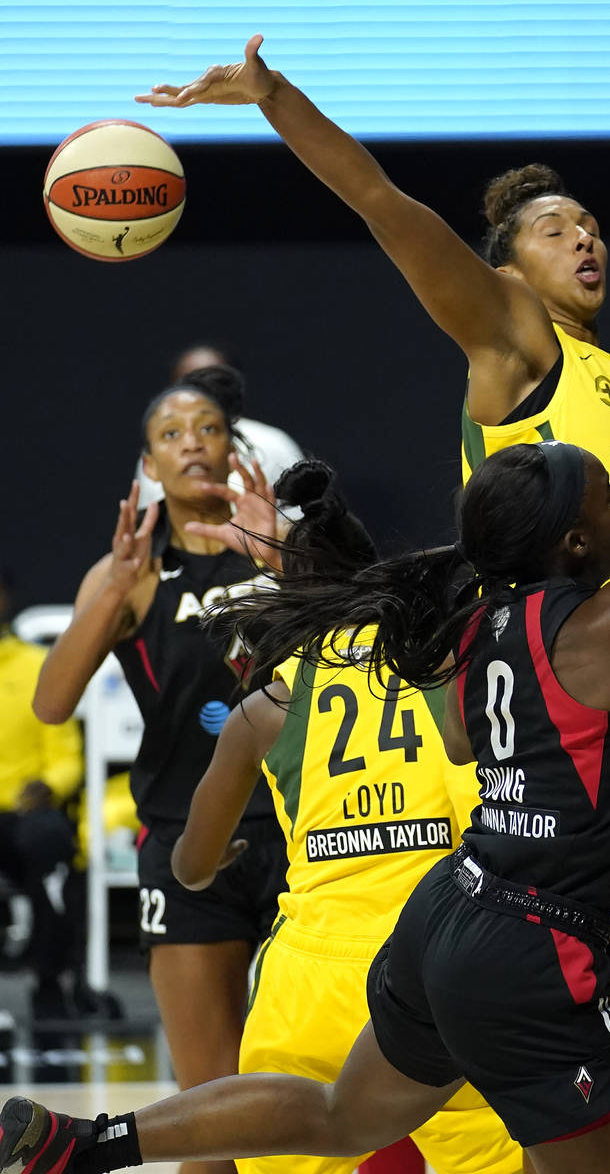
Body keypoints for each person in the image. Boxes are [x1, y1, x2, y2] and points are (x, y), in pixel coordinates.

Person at [132, 35, 610, 1131]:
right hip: (539, 707)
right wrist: (274, 97)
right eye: (555, 229)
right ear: (506, 271)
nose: (585, 237)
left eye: (591, 224)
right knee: (511, 1030)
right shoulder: (512, 337)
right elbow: (380, 201)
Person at [5, 341, 610, 1173]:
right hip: (531, 941)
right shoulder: (607, 620)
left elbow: (463, 738)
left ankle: (91, 1142)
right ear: (572, 541)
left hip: (445, 916)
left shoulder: (472, 629)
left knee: (340, 1117)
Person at [172, 456, 524, 1174]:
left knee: (281, 1146)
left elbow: (191, 866)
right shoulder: (447, 667)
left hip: (312, 976)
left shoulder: (265, 708)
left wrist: (219, 862)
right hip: (436, 959)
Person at [31, 366, 287, 1174]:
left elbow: (360, 657)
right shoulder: (129, 574)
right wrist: (113, 589)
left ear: (235, 448)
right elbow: (51, 703)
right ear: (148, 464)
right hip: (185, 847)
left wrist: (282, 555)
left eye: (208, 428)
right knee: (209, 1108)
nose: (192, 445)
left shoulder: (285, 547)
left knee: (321, 1085)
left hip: (301, 837)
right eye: (171, 435)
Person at [0, 568, 83, 1019]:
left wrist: (49, 785)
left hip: (22, 814)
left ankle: (49, 981)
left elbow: (66, 756)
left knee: (49, 838)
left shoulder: (37, 665)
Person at [136, 345, 303, 509]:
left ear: (232, 452)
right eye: (190, 385)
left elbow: (300, 518)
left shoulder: (273, 443)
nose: (193, 445)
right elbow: (149, 516)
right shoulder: (159, 452)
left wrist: (267, 527)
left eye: (214, 383)